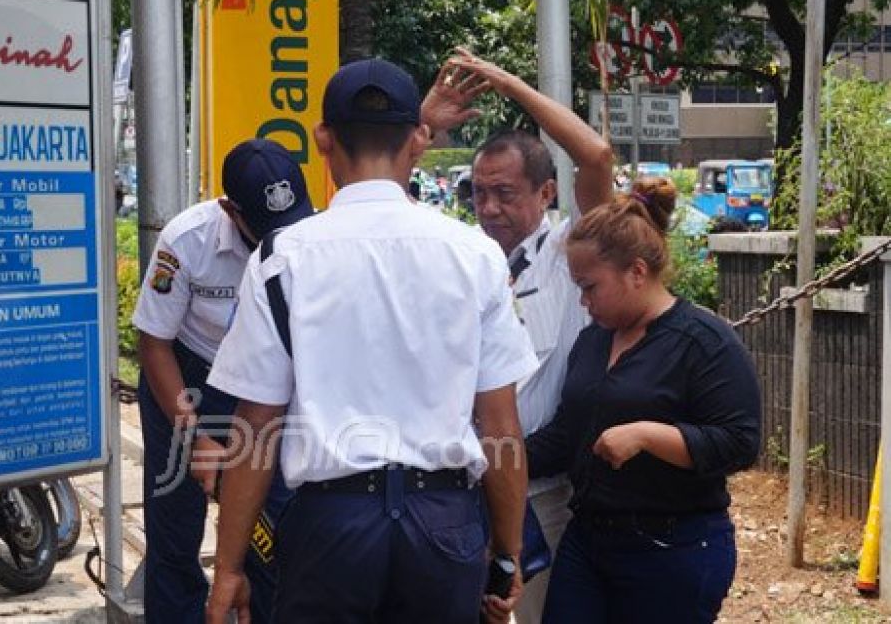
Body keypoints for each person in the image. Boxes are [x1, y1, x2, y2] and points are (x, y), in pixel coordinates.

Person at [204, 58, 536, 624]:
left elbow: (256, 426)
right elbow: (500, 425)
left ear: (323, 140)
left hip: (330, 528)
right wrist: (507, 553)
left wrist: (229, 567)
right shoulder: (474, 255)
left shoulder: (281, 260)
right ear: (418, 140)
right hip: (444, 522)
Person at [420, 47, 613, 623]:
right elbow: (375, 196)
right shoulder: (460, 258)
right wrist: (426, 125)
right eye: (479, 193)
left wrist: (507, 84)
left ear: (546, 194)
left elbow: (597, 155)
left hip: (547, 494)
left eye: (506, 193)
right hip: (464, 487)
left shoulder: (569, 253)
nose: (489, 207)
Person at [527, 177, 761, 623]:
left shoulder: (704, 342)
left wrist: (650, 436)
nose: (582, 301)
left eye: (590, 286)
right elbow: (567, 434)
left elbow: (739, 443)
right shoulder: (594, 340)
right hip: (589, 541)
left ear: (636, 272)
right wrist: (497, 460)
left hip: (672, 548)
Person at [132, 138, 314, 623]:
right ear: (231, 210)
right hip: (188, 379)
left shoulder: (314, 236)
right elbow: (154, 344)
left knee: (271, 523)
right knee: (175, 530)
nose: (281, 237)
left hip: (262, 383)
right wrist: (194, 436)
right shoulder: (186, 240)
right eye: (266, 227)